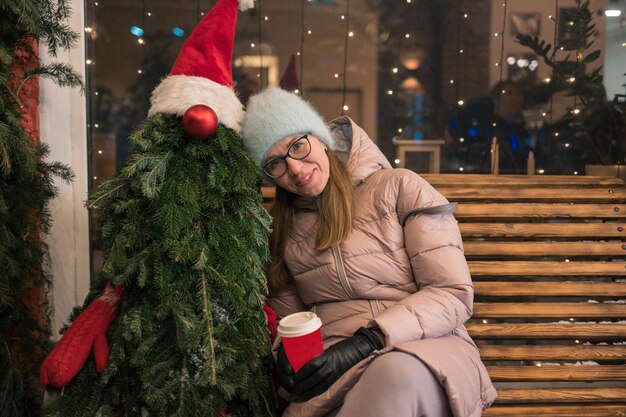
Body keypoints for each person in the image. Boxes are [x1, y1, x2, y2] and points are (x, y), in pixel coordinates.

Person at [242, 87, 496, 417]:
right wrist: (286, 357)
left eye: (298, 146)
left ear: (320, 137)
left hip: (424, 350)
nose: (295, 168)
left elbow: (451, 293)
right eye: (275, 163)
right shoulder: (281, 230)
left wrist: (369, 341)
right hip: (334, 368)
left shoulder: (399, 187)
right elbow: (293, 322)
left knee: (392, 375)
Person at [444, 79, 538, 173]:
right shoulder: (485, 123)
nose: (514, 99)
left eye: (518, 95)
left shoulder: (521, 129)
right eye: (509, 93)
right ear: (496, 98)